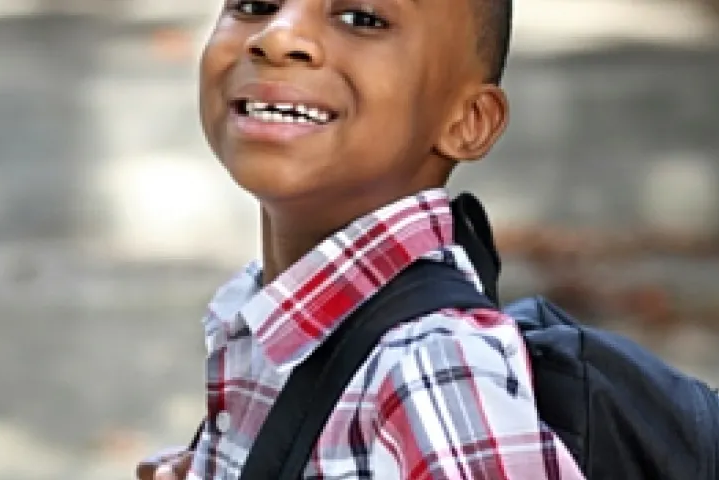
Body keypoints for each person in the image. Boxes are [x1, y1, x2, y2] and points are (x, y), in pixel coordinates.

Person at [137, 0, 584, 478]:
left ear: (466, 121)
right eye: (255, 5)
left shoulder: (430, 364)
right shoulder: (274, 313)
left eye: (361, 19)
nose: (277, 38)